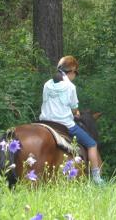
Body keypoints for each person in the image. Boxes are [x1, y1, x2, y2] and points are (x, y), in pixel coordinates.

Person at [39, 55, 104, 184]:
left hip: (44, 121)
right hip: (64, 124)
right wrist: (77, 113)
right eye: (76, 72)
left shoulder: (47, 84)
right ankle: (97, 178)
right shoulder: (70, 87)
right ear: (72, 70)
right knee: (92, 144)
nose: (75, 75)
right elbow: (74, 108)